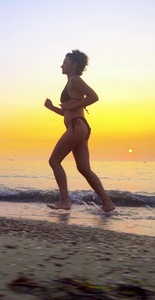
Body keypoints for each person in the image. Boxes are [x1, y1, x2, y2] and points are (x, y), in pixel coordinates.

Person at [44, 50, 116, 212]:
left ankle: (65, 201)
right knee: (84, 168)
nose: (62, 65)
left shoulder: (76, 80)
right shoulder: (70, 82)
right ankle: (108, 203)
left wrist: (72, 105)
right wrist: (52, 108)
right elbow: (67, 111)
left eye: (65, 62)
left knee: (54, 161)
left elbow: (94, 96)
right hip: (79, 127)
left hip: (76, 126)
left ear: (74, 64)